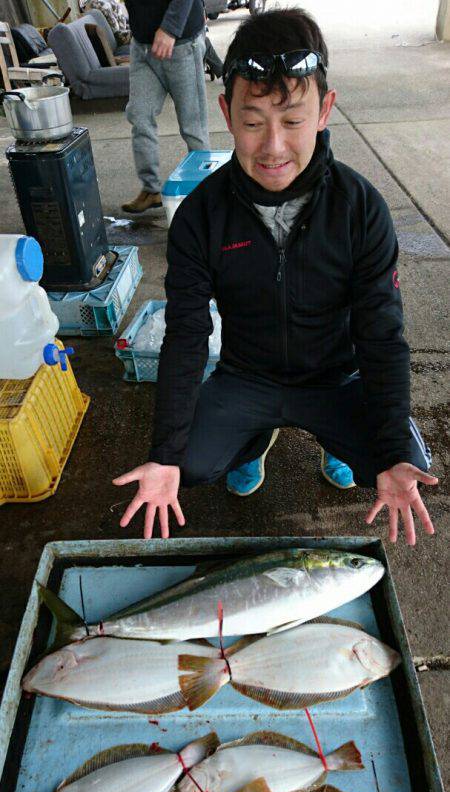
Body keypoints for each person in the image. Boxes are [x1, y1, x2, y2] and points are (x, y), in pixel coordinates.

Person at [114, 7, 438, 545]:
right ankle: (251, 438)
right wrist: (164, 454)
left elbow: (382, 337)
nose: (272, 147)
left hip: (337, 377)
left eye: (291, 121)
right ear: (226, 110)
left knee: (399, 465)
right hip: (247, 377)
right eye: (252, 121)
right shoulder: (199, 216)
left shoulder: (362, 209)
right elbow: (189, 334)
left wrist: (394, 451)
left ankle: (336, 440)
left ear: (325, 110)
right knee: (185, 465)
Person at [122, 0, 210, 214]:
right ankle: (151, 190)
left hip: (180, 45)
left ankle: (207, 196)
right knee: (139, 116)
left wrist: (170, 28)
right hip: (142, 46)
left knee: (192, 126)